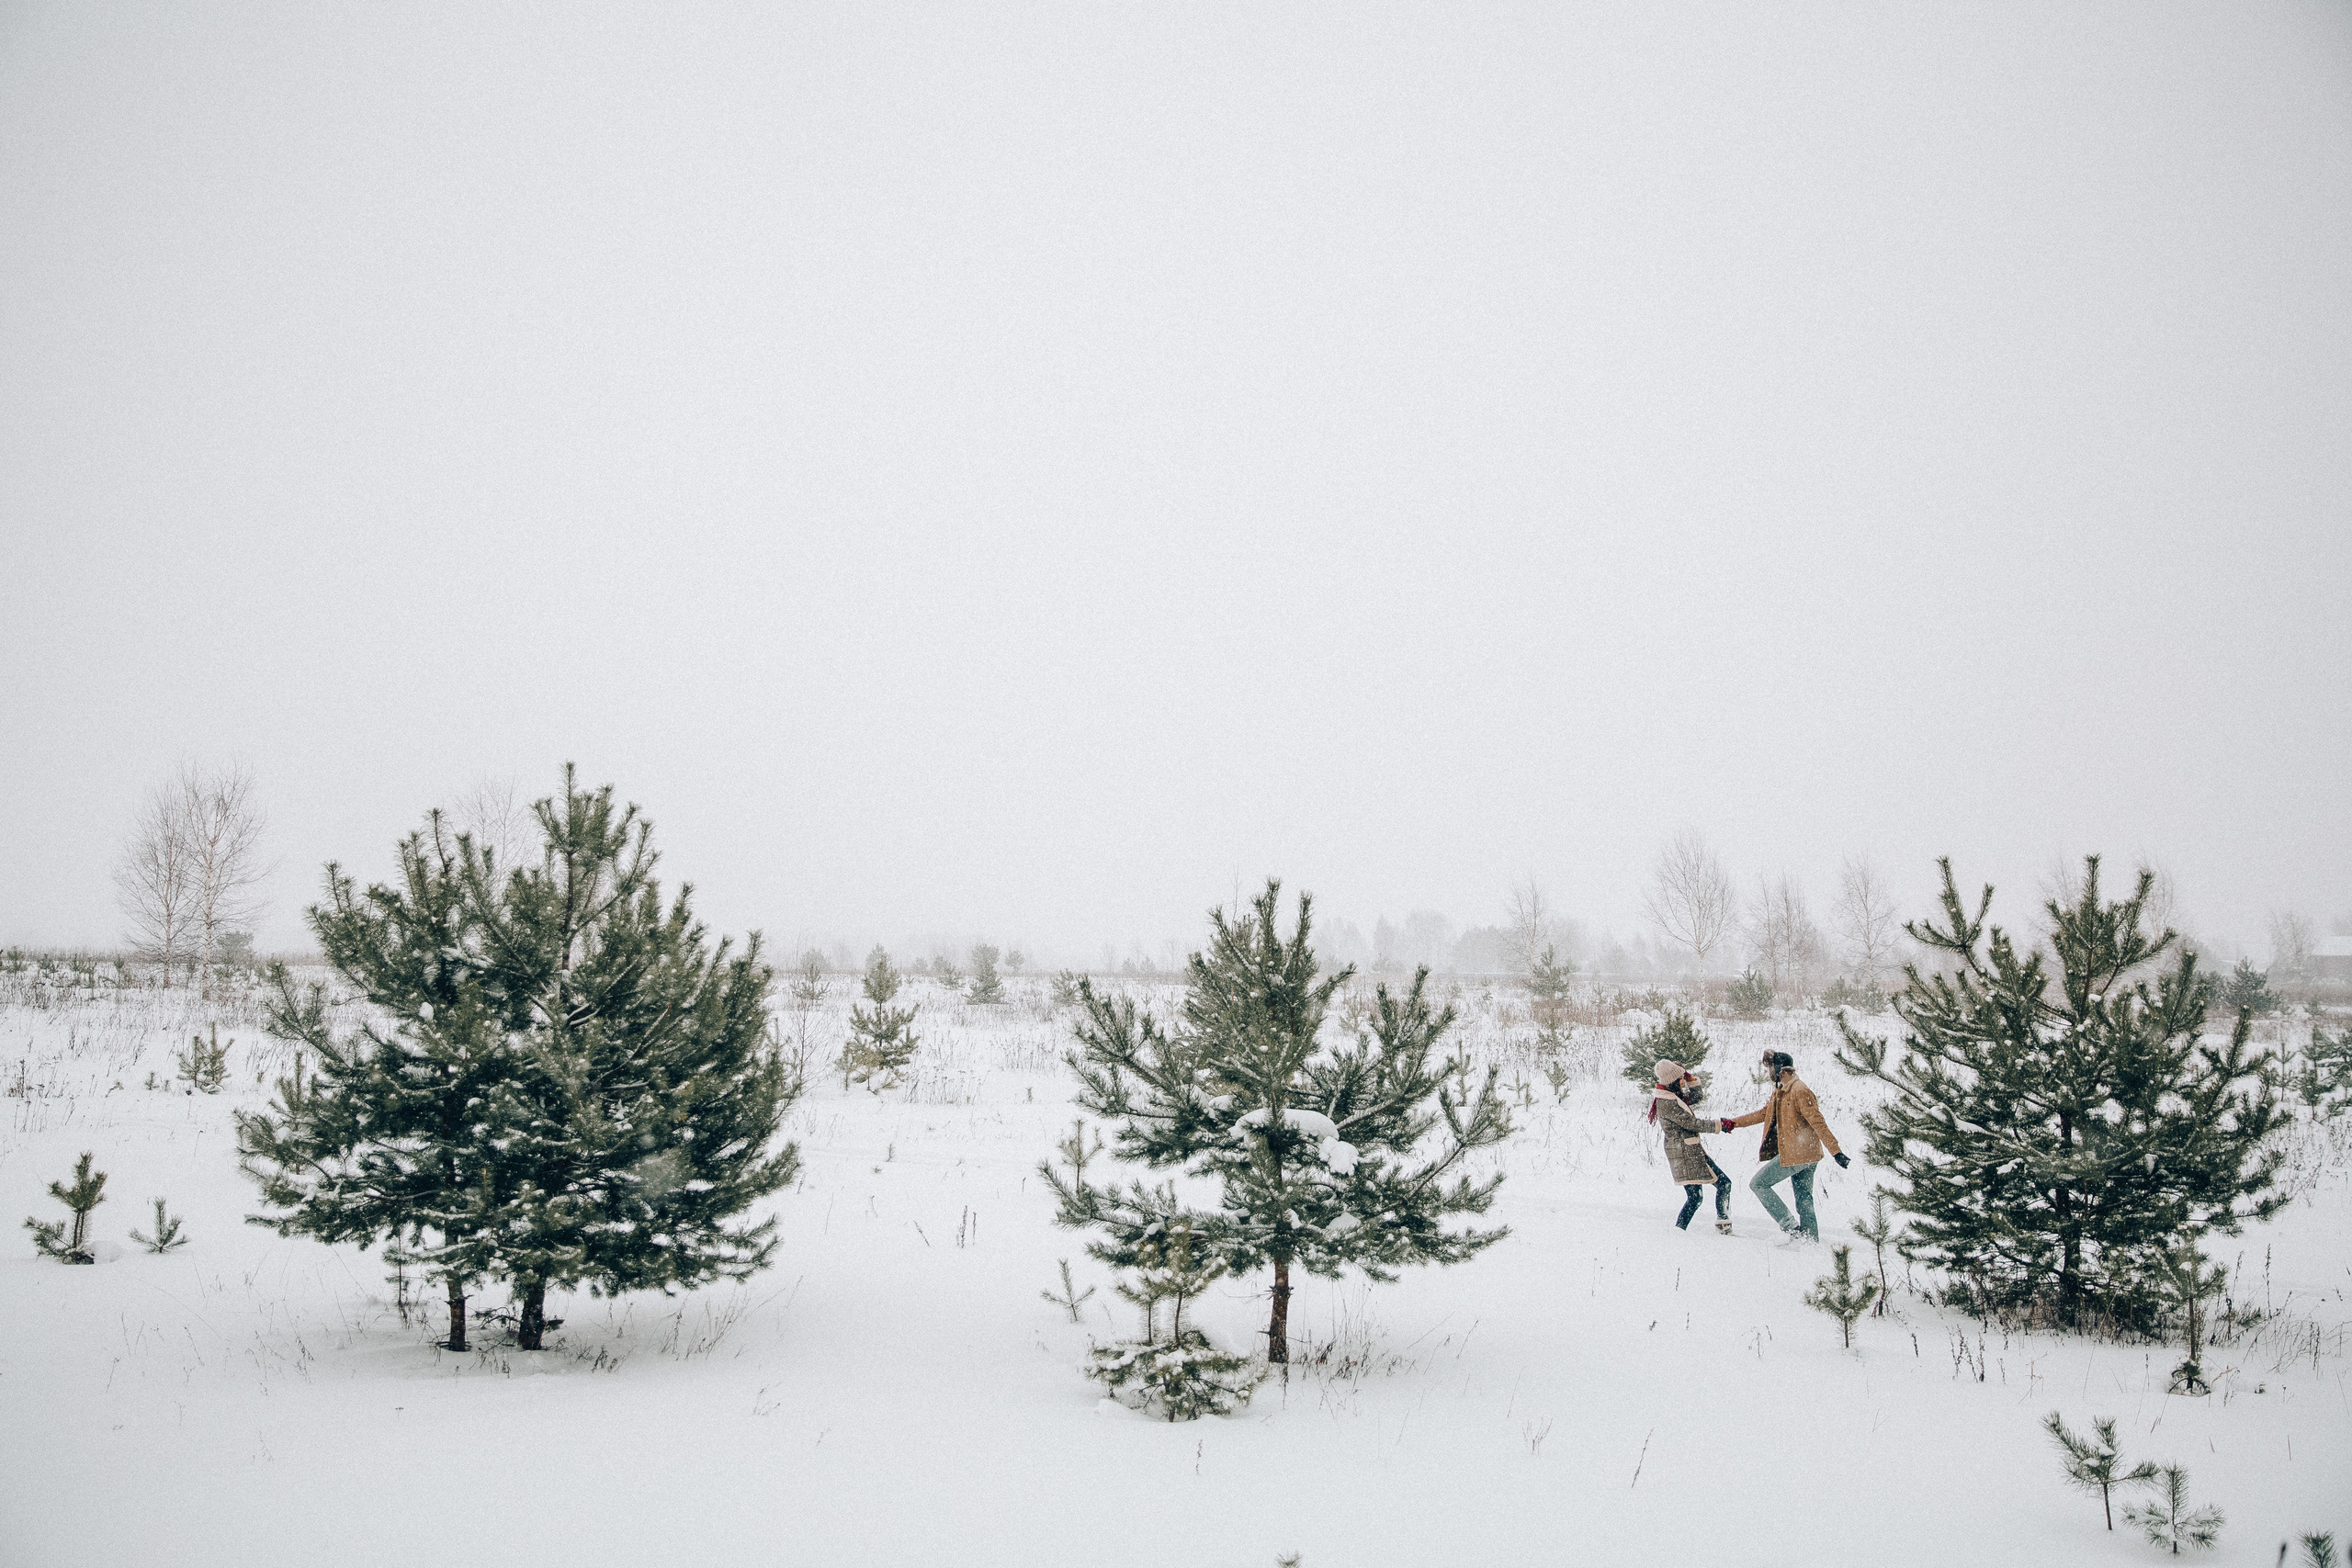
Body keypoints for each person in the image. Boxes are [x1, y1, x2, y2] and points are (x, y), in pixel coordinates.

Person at [1721, 1050, 1849, 1243]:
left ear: (1780, 1069)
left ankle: (1792, 1230)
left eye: (1771, 1068)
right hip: (1805, 1154)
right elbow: (1763, 1114)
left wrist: (1836, 1152)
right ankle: (1810, 1241)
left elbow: (1818, 1122)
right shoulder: (1782, 1090)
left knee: (1758, 1184)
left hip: (1798, 1153)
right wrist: (1734, 1122)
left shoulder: (1799, 1090)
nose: (1769, 1072)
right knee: (1804, 1199)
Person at [1647, 1058, 1734, 1234]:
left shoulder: (1672, 1096)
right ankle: (1722, 1226)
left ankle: (1681, 1231)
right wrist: (1719, 1125)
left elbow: (1696, 1097)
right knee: (1722, 1185)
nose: (1682, 1081)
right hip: (1685, 1154)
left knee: (1695, 1198)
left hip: (1687, 1151)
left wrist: (1691, 1079)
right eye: (1680, 1078)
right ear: (1672, 1081)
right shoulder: (1668, 1103)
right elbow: (1691, 1123)